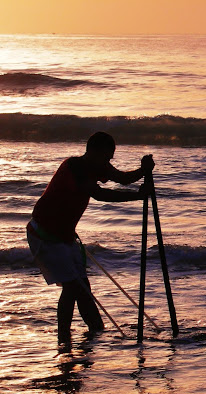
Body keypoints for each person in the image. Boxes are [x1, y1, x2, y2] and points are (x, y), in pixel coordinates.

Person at [27, 131, 154, 350]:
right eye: (106, 157)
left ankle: (96, 330)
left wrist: (144, 170)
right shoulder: (75, 168)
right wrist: (139, 195)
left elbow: (123, 178)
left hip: (65, 236)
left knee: (83, 286)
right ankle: (63, 340)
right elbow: (99, 194)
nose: (108, 163)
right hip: (44, 234)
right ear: (93, 151)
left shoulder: (98, 166)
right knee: (72, 287)